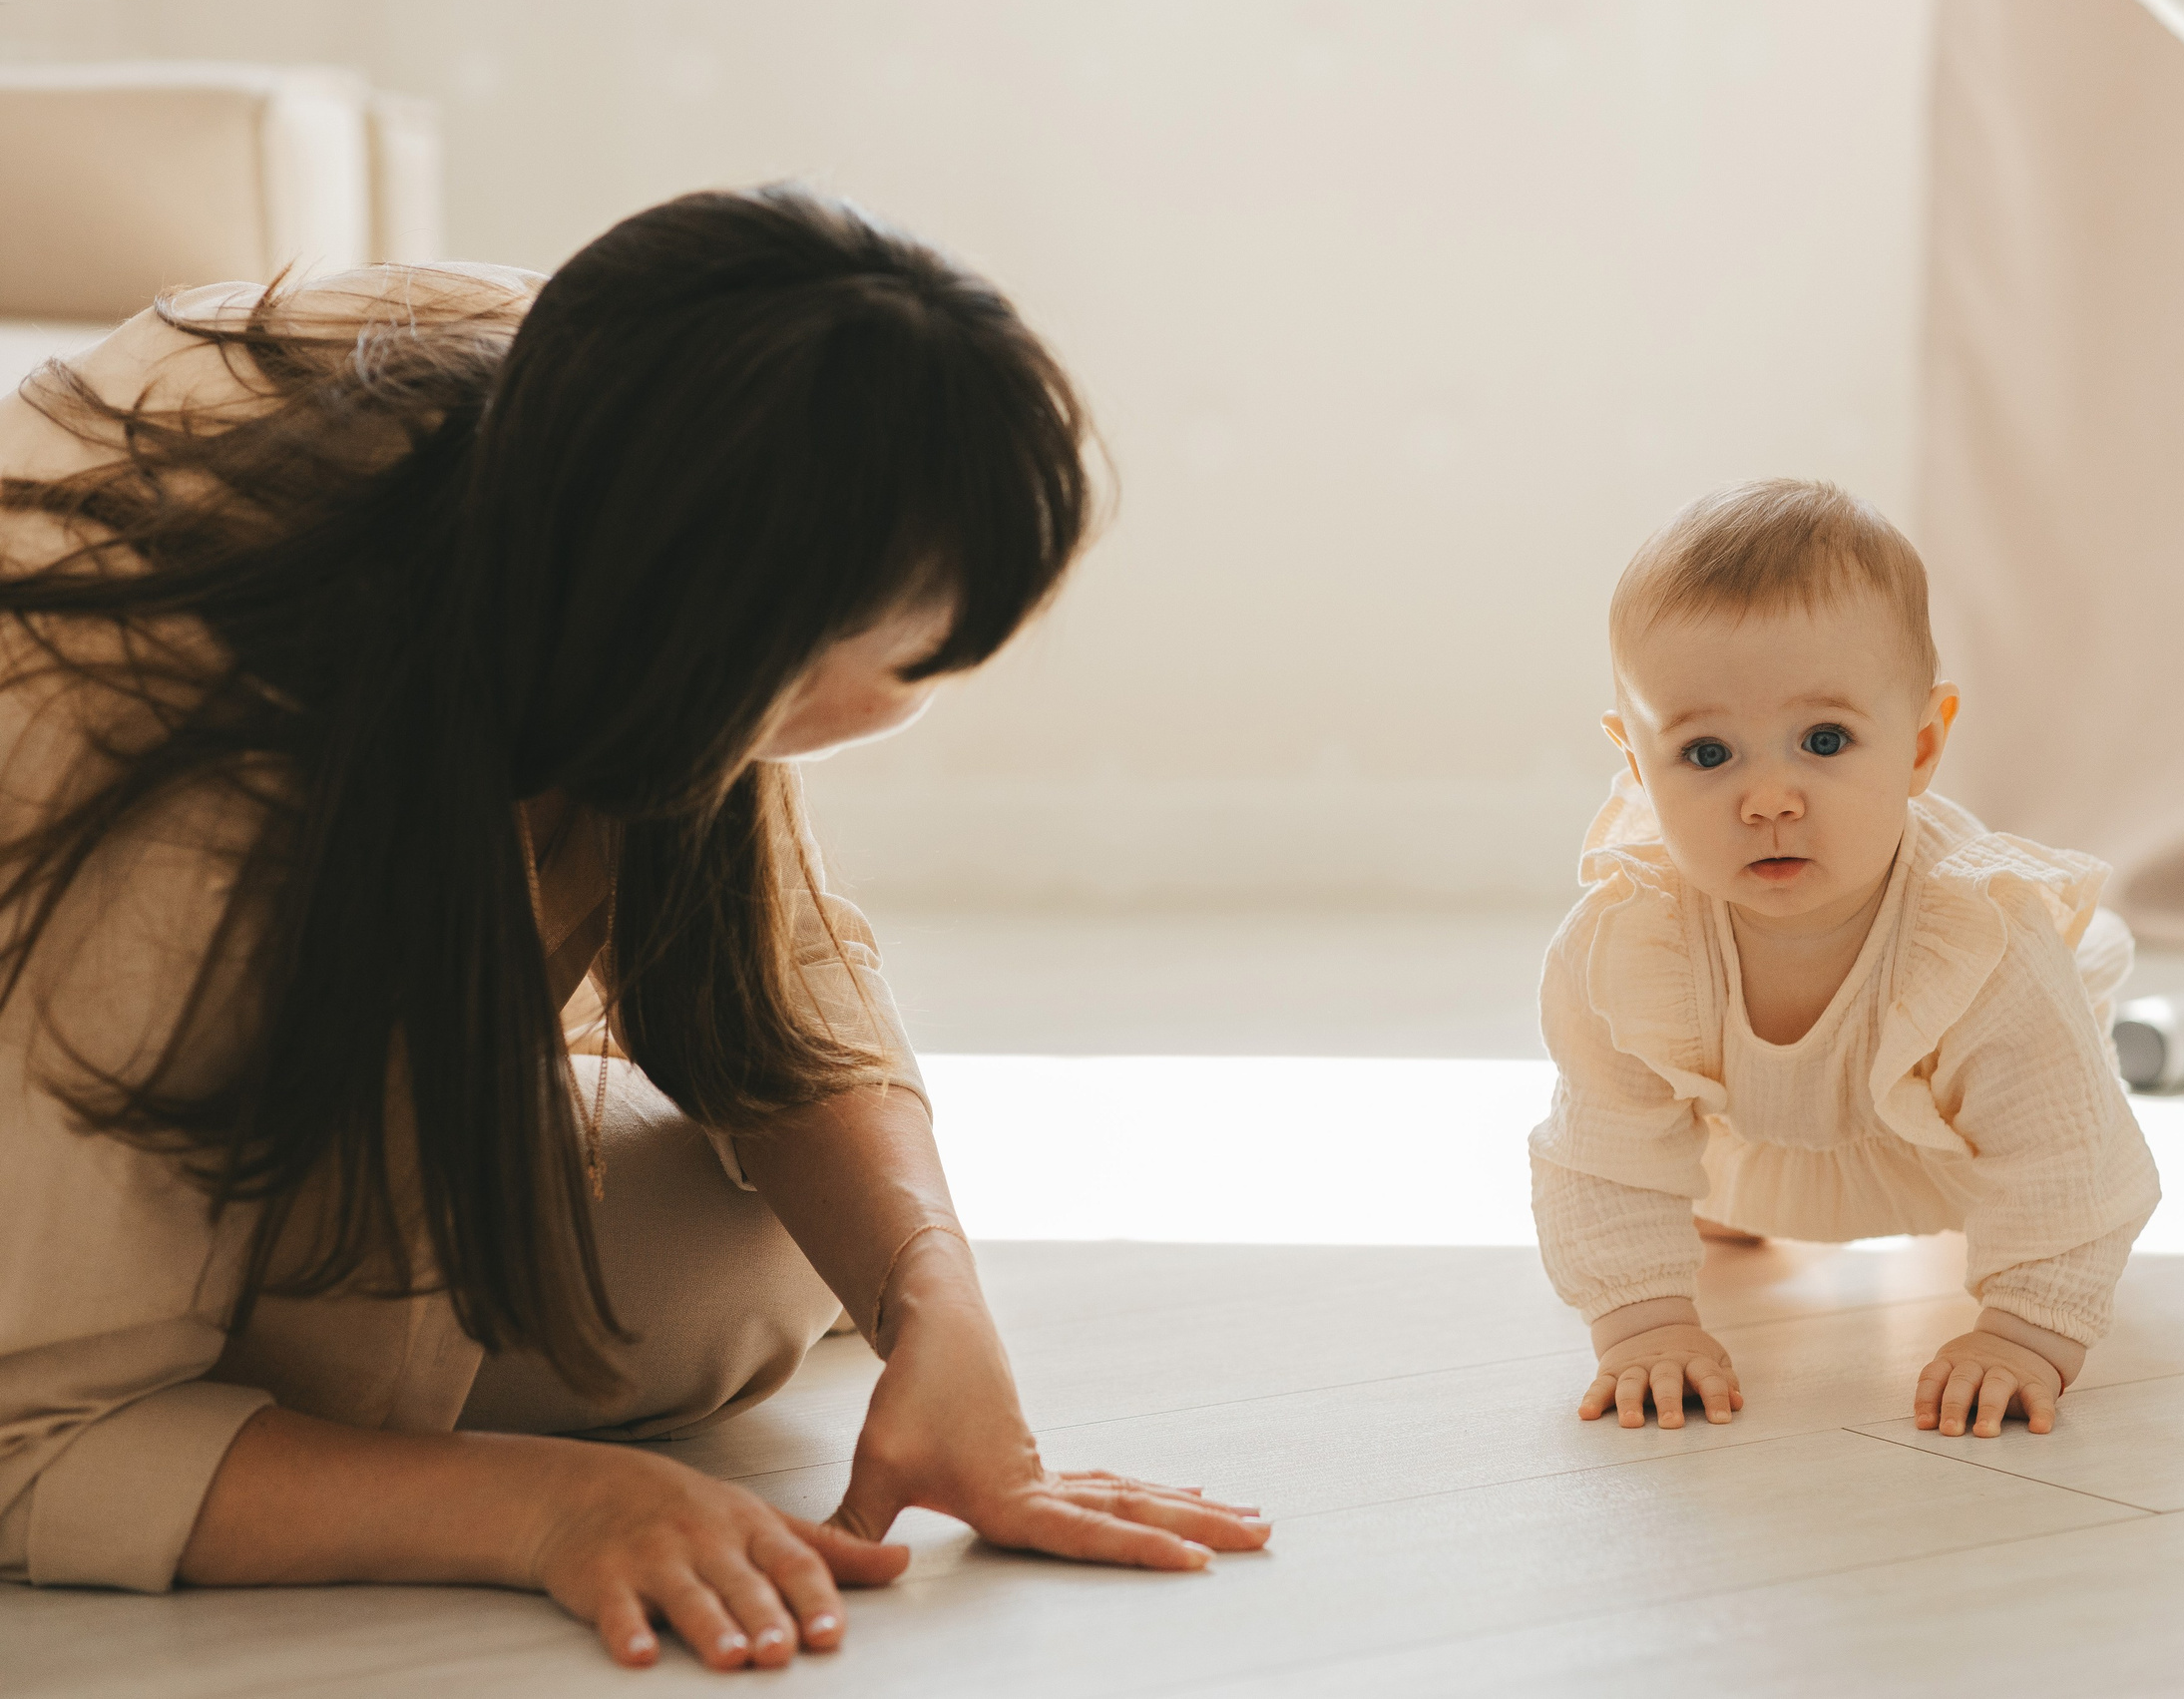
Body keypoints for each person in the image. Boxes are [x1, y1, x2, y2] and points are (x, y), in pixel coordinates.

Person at [0, 185, 1265, 1672]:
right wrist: (551, 1505)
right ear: (745, 648)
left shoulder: (639, 466)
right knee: (602, 1301)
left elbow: (774, 995)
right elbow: (26, 1434)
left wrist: (937, 1302)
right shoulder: (177, 786)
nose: (935, 685)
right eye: (923, 652)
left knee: (748, 1251)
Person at [1529, 479, 2161, 1440]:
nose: (1769, 798)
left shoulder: (1979, 943)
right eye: (1707, 754)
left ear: (1921, 744)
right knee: (1673, 1156)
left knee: (2045, 1075)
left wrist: (2026, 1331)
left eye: (1823, 740)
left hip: (1948, 1149)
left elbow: (2062, 1150)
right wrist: (1644, 1321)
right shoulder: (1629, 940)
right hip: (1756, 1127)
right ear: (1637, 766)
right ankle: (1742, 1197)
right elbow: (1604, 1150)